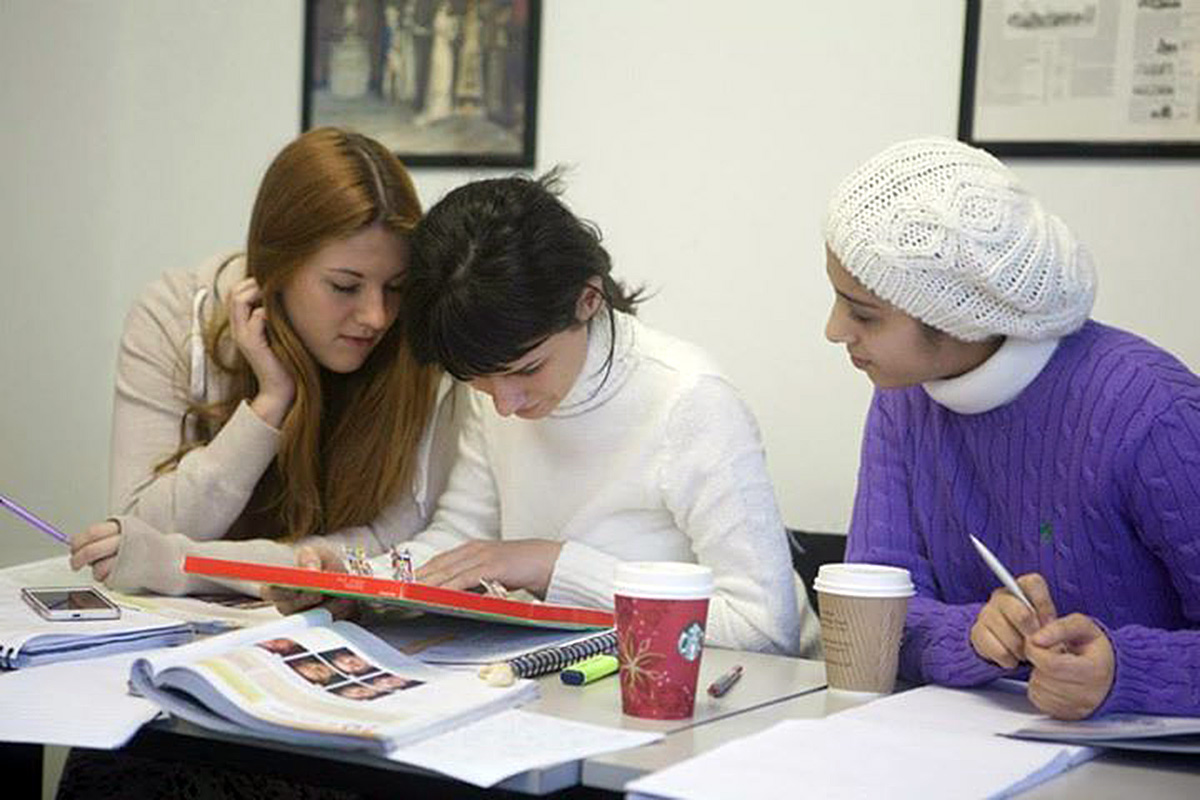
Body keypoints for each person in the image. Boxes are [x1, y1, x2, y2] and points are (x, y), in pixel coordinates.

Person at [285, 173, 819, 656]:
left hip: (731, 695)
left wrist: (554, 565)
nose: (504, 403)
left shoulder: (690, 400)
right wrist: (357, 581)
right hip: (579, 671)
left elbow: (764, 629)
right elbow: (462, 541)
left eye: (528, 369)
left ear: (588, 300)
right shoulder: (493, 381)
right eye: (477, 379)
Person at [824, 137, 1200, 719]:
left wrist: (1125, 672)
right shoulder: (903, 394)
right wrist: (972, 635)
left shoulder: (1153, 409)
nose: (834, 330)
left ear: (957, 317)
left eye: (863, 313)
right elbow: (874, 616)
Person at [68, 127, 463, 597]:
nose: (377, 316)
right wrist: (268, 406)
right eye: (344, 286)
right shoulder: (174, 316)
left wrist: (186, 565)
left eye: (395, 287)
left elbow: (392, 544)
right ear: (277, 268)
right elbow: (138, 536)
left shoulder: (420, 342)